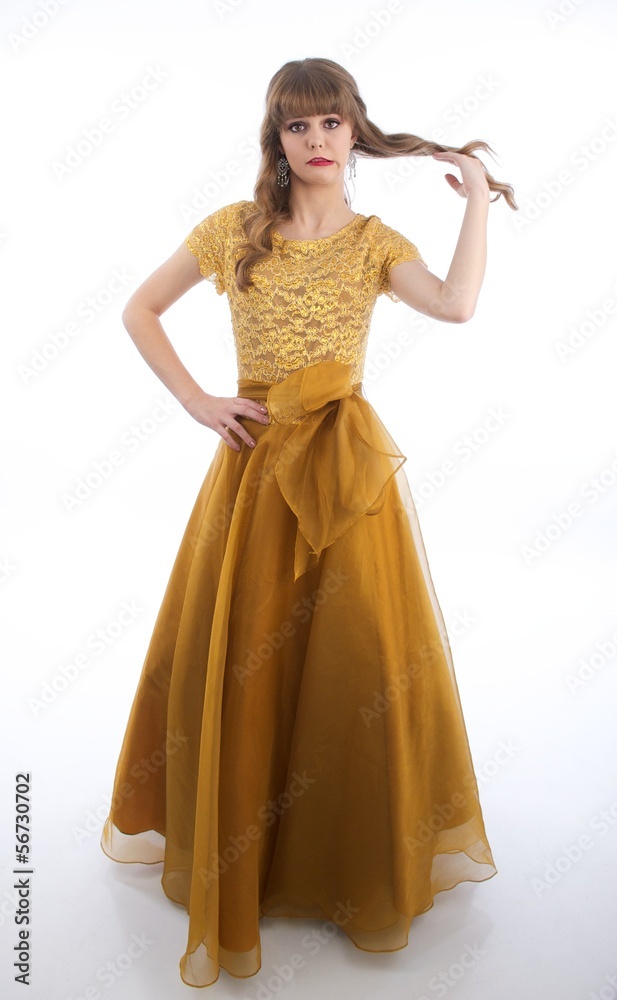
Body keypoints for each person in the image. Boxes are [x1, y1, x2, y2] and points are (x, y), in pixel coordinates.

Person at [100, 57, 517, 990]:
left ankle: (342, 853)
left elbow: (455, 306)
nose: (317, 140)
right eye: (298, 126)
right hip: (252, 472)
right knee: (243, 653)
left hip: (344, 470)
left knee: (357, 656)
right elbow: (139, 310)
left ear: (354, 132)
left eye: (331, 123)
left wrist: (476, 200)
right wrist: (198, 400)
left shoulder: (375, 241)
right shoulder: (234, 232)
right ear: (276, 140)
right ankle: (246, 848)